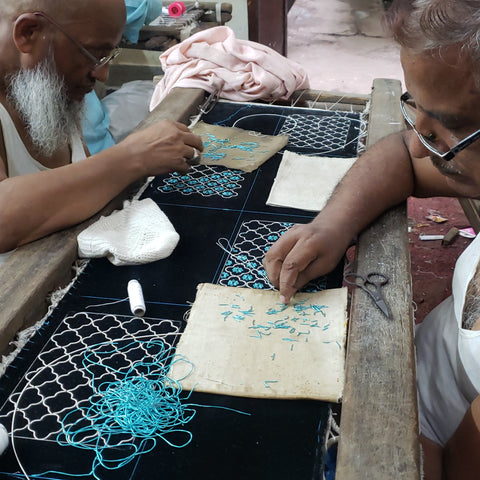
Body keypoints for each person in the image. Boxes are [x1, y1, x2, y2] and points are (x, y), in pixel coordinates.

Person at [263, 0, 480, 478]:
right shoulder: (468, 157)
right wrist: (333, 225)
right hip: (415, 378)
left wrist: (372, 433)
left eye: (450, 124)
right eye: (416, 106)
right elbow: (406, 155)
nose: (420, 130)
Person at [0, 0, 203, 259]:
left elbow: (78, 179)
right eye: (94, 54)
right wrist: (134, 155)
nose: (103, 74)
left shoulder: (49, 85)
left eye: (109, 55)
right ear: (28, 32)